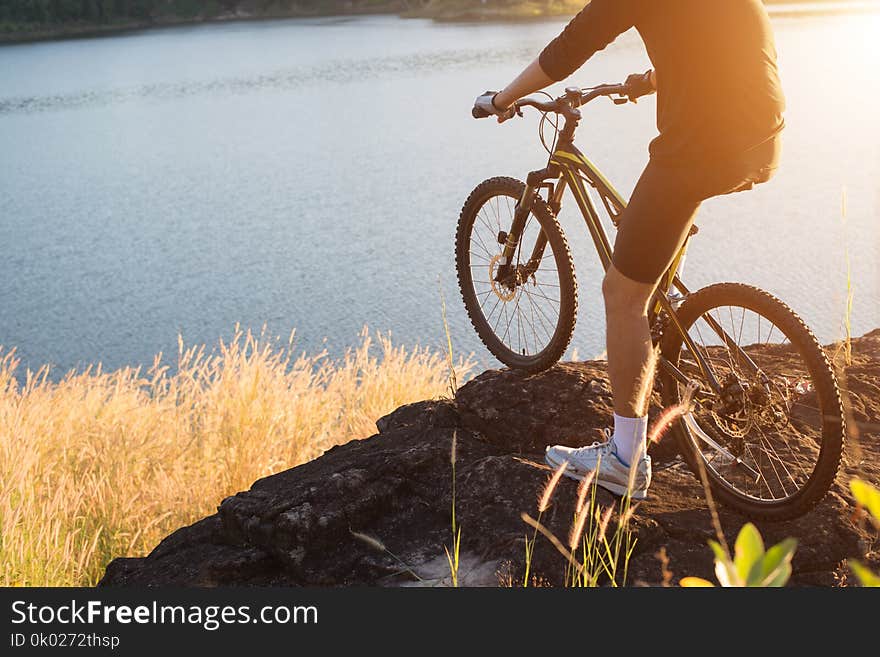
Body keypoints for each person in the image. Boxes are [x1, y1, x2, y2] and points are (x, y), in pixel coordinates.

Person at [473, 0, 785, 499]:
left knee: (622, 294)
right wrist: (654, 78)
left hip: (701, 148)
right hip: (762, 138)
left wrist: (504, 98)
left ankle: (624, 461)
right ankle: (666, 328)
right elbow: (715, 41)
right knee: (651, 265)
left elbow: (567, 50)